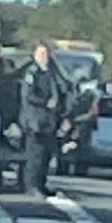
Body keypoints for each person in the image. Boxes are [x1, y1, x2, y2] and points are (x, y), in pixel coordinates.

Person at [20, 43, 68, 197]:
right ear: (34, 55)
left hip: (49, 121)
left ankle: (41, 184)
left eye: (46, 54)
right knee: (35, 155)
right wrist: (45, 102)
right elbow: (28, 95)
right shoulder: (32, 73)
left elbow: (63, 90)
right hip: (35, 121)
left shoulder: (53, 72)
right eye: (40, 54)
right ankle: (31, 186)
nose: (44, 58)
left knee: (46, 155)